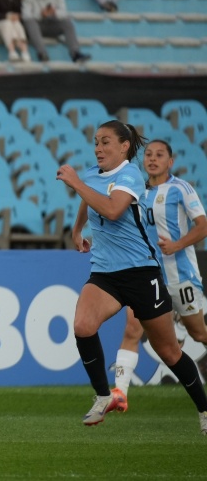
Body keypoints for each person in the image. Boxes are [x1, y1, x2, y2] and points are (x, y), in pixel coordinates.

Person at [56, 120, 207, 434]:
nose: (98, 148)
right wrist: (77, 228)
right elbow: (88, 199)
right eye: (96, 142)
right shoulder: (91, 176)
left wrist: (76, 184)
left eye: (106, 142)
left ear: (124, 146)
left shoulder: (131, 175)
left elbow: (112, 210)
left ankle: (204, 410)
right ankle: (103, 396)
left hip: (141, 273)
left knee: (169, 351)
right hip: (105, 273)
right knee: (83, 326)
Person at [111, 139, 207, 411]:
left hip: (181, 276)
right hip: (147, 275)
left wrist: (177, 245)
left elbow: (203, 226)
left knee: (198, 334)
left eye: (159, 155)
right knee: (132, 328)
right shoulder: (137, 190)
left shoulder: (180, 189)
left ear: (170, 161)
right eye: (149, 154)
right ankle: (120, 392)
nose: (152, 159)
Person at [22, 0, 90, 63]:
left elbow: (64, 12)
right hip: (34, 27)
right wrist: (41, 15)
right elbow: (26, 15)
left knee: (67, 22)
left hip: (51, 24)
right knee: (30, 21)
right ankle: (42, 53)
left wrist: (54, 13)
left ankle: (75, 53)